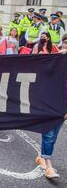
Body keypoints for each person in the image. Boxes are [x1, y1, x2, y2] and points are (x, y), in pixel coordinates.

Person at [34, 32, 65, 179]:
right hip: (51, 103)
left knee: (53, 136)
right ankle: (48, 165)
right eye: (64, 45)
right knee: (49, 134)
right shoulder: (56, 61)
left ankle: (41, 156)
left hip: (63, 105)